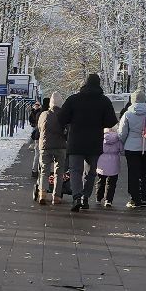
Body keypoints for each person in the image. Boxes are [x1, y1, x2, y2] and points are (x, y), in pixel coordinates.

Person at [53, 74, 116, 211]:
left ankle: (76, 197)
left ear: (85, 84)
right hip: (94, 142)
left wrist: (70, 124)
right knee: (91, 172)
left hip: (76, 141)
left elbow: (61, 118)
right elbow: (111, 121)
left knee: (75, 170)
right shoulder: (104, 101)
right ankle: (85, 197)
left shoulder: (73, 99)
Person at [116, 95, 146, 207]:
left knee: (133, 172)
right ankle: (144, 198)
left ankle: (134, 198)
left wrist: (124, 143)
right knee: (145, 171)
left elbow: (122, 133)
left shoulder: (128, 114)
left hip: (132, 148)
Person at [37, 91, 69, 202]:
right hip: (60, 146)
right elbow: (67, 130)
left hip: (45, 146)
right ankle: (56, 196)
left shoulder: (43, 114)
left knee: (44, 171)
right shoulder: (64, 115)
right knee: (59, 172)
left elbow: (39, 128)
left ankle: (42, 194)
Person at [95, 127, 122, 208]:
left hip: (102, 161)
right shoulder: (118, 139)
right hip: (114, 162)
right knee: (111, 182)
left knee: (101, 180)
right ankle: (108, 200)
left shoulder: (101, 137)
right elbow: (122, 150)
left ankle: (98, 198)